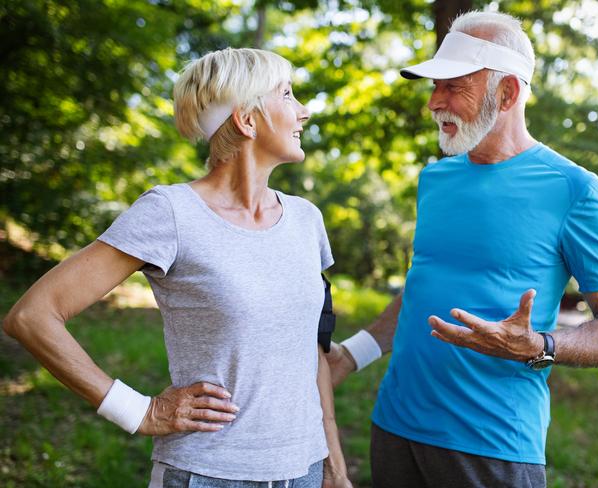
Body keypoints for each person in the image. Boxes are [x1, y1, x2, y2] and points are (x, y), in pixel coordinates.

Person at [3, 47, 352, 488]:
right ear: (247, 120)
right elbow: (32, 316)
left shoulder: (306, 220)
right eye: (287, 94)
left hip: (304, 468)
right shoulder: (170, 213)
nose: (303, 111)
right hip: (208, 473)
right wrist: (138, 410)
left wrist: (333, 467)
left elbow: (310, 354)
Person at [328, 11, 598, 488]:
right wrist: (351, 355)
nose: (435, 102)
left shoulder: (574, 189)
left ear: (508, 93)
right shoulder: (436, 177)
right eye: (434, 87)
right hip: (394, 427)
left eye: (454, 87)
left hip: (491, 446)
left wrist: (540, 346)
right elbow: (425, 287)